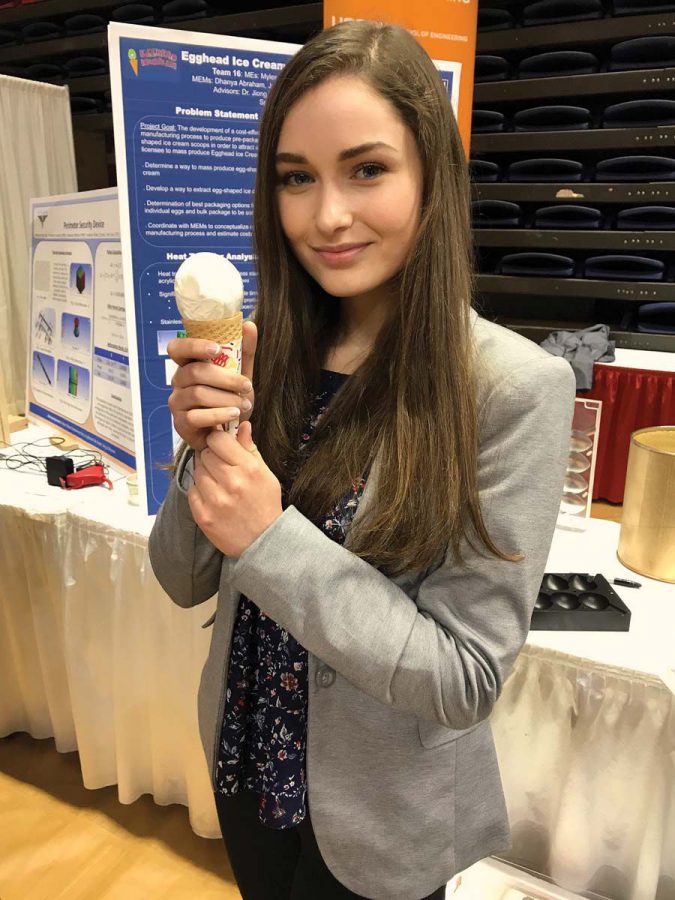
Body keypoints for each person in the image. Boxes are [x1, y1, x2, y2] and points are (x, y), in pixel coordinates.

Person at [148, 19, 576, 900]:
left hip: (378, 815)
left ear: (430, 175)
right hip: (244, 763)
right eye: (295, 179)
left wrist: (267, 537)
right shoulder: (268, 354)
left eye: (367, 170)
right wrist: (202, 451)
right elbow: (180, 577)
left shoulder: (508, 388)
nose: (326, 214)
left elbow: (463, 678)